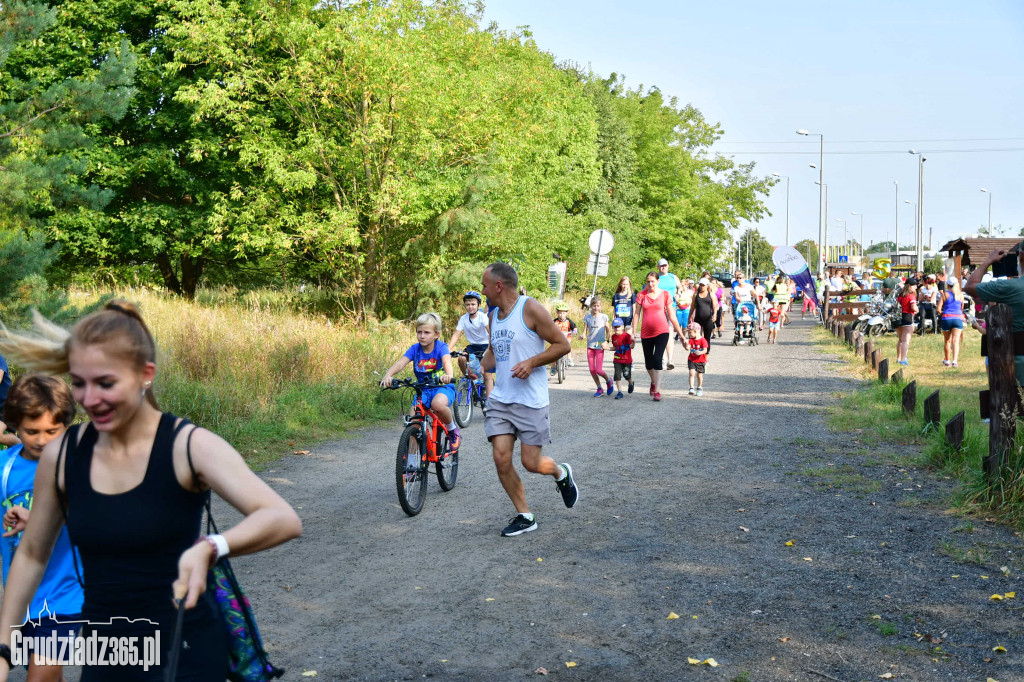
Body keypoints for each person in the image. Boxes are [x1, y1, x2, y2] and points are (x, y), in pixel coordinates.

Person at [0, 301, 302, 680]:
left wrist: (211, 547)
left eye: (105, 383)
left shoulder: (188, 446)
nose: (89, 399)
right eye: (79, 382)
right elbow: (31, 555)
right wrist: (4, 648)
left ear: (145, 374)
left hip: (185, 652)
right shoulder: (63, 454)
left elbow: (281, 518)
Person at [479, 263, 577, 537]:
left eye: (486, 285)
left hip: (530, 400)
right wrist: (475, 364)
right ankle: (525, 515)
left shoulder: (529, 308)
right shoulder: (493, 316)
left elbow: (563, 345)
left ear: (499, 286)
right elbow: (493, 353)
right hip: (501, 399)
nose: (483, 291)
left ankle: (561, 473)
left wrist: (531, 362)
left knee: (531, 463)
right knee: (500, 458)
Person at [0, 375, 82, 682]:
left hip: (64, 594)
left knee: (40, 674)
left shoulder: (74, 465)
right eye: (31, 431)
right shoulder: (4, 469)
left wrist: (34, 518)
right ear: (14, 426)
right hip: (20, 595)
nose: (42, 440)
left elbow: (88, 516)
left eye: (52, 431)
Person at [383, 312, 460, 450]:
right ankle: (412, 465)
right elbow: (401, 363)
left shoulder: (441, 347)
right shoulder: (415, 349)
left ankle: (452, 429)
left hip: (442, 387)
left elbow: (446, 361)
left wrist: (449, 375)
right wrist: (388, 375)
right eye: (419, 332)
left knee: (437, 404)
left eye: (427, 332)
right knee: (413, 423)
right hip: (423, 390)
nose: (422, 336)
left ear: (436, 334)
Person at [965, 244, 1024, 386]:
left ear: (1020, 256)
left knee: (1014, 404)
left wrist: (988, 261)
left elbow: (969, 287)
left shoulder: (1010, 286)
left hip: (1016, 359)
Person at [634, 271, 685, 402]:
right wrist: (633, 333)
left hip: (662, 331)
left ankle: (657, 390)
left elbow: (672, 316)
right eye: (648, 281)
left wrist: (681, 334)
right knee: (648, 362)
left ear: (658, 281)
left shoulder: (665, 295)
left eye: (652, 281)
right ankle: (653, 381)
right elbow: (636, 315)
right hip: (646, 332)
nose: (650, 284)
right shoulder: (641, 295)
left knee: (658, 359)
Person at [447, 291, 493, 398]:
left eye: (473, 304)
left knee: (486, 373)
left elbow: (491, 333)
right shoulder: (464, 319)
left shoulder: (482, 317)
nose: (470, 307)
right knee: (461, 359)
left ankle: (488, 394)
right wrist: (447, 350)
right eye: (467, 304)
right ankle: (470, 382)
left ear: (478, 305)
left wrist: (490, 348)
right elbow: (456, 335)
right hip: (473, 346)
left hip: (486, 344)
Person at [582, 299, 613, 398]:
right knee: (592, 369)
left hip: (600, 346)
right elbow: (585, 331)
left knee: (598, 370)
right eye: (594, 305)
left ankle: (608, 380)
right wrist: (582, 335)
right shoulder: (587, 318)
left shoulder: (604, 317)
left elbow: (608, 331)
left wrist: (607, 341)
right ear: (591, 306)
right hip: (590, 346)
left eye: (598, 306)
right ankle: (599, 388)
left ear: (601, 307)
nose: (596, 308)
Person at [656, 259, 681, 369]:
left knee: (670, 332)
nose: (663, 267)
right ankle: (662, 358)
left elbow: (680, 287)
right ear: (658, 267)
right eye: (661, 266)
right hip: (658, 308)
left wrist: (678, 294)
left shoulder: (673, 277)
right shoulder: (656, 278)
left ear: (668, 266)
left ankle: (670, 359)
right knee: (660, 333)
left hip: (671, 307)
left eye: (665, 265)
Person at [938, 278, 965, 368]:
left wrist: (943, 313)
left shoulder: (944, 295)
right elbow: (961, 309)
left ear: (947, 285)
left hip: (947, 318)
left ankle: (947, 360)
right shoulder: (961, 295)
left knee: (947, 341)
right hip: (958, 318)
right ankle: (955, 361)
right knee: (955, 341)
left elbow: (938, 309)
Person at [691, 279, 718, 352]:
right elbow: (692, 307)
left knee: (707, 338)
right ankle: (696, 355)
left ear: (707, 285)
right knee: (696, 337)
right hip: (698, 319)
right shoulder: (696, 294)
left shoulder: (711, 294)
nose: (702, 286)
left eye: (703, 285)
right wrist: (689, 317)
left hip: (708, 319)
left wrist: (715, 314)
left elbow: (714, 306)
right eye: (700, 285)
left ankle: (705, 357)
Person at [610, 318, 634, 399]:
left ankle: (631, 382)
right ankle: (620, 392)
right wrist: (606, 348)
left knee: (626, 375)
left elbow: (631, 347)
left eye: (618, 326)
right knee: (617, 375)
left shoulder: (627, 336)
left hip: (627, 360)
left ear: (622, 327)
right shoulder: (613, 337)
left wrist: (633, 341)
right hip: (617, 360)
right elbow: (615, 348)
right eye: (615, 327)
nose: (617, 328)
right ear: (612, 328)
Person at [896, 282, 918, 366]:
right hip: (908, 317)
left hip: (898, 317)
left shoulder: (900, 296)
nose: (915, 287)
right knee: (906, 340)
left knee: (900, 340)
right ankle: (903, 359)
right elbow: (913, 307)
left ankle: (898, 358)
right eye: (914, 285)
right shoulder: (911, 296)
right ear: (909, 287)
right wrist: (917, 309)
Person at [551, 303, 577, 370]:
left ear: (567, 313)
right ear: (557, 312)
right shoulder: (554, 321)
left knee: (567, 344)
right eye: (560, 313)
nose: (562, 315)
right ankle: (553, 367)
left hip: (567, 336)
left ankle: (569, 359)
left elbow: (574, 327)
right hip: (557, 338)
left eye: (563, 313)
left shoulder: (568, 321)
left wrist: (574, 331)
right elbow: (549, 328)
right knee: (553, 352)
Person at [686, 324, 709, 397]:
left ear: (695, 331)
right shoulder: (691, 340)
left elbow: (705, 350)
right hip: (691, 359)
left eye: (690, 332)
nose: (689, 334)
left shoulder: (703, 340)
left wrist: (700, 352)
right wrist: (686, 345)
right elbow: (687, 348)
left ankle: (699, 387)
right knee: (691, 373)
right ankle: (691, 388)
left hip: (700, 360)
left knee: (699, 375)